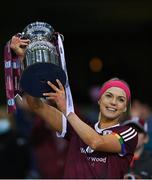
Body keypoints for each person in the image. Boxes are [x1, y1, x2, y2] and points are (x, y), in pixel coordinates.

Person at [9, 35, 138, 178]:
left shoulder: (128, 133)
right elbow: (36, 105)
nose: (113, 102)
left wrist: (67, 111)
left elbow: (96, 142)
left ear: (125, 107)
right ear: (99, 101)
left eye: (120, 99)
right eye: (108, 96)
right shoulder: (78, 128)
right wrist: (25, 61)